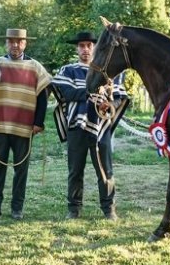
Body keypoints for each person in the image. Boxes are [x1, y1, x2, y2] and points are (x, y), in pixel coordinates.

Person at [0, 28, 51, 221]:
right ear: (6, 43)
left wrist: (38, 123)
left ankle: (17, 208)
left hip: (24, 127)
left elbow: (43, 97)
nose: (15, 45)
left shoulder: (35, 67)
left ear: (25, 43)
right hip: (0, 124)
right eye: (11, 41)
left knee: (21, 170)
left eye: (19, 41)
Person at [50, 31, 129, 221]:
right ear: (77, 48)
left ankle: (109, 209)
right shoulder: (68, 70)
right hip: (76, 126)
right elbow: (65, 92)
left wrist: (108, 105)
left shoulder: (109, 72)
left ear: (95, 47)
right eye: (82, 45)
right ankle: (74, 209)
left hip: (101, 127)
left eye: (89, 45)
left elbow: (119, 97)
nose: (85, 49)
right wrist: (89, 94)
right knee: (75, 170)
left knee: (105, 169)